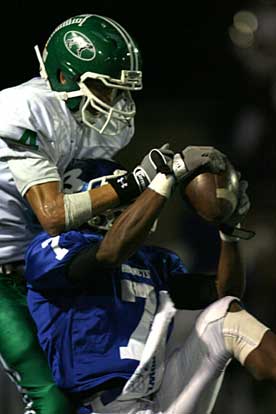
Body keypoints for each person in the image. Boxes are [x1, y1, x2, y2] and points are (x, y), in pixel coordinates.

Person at [23, 155, 276, 414]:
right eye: (118, 192)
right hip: (100, 405)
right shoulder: (51, 249)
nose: (128, 200)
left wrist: (229, 232)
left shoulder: (152, 262)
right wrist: (165, 177)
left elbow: (226, 293)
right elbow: (108, 254)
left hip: (155, 396)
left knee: (226, 319)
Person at [0, 12, 149, 414]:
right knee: (49, 397)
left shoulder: (90, 120)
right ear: (65, 76)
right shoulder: (26, 107)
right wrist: (130, 185)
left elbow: (85, 194)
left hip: (43, 271)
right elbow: (53, 215)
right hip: (3, 274)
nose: (114, 101)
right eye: (104, 86)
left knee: (80, 389)